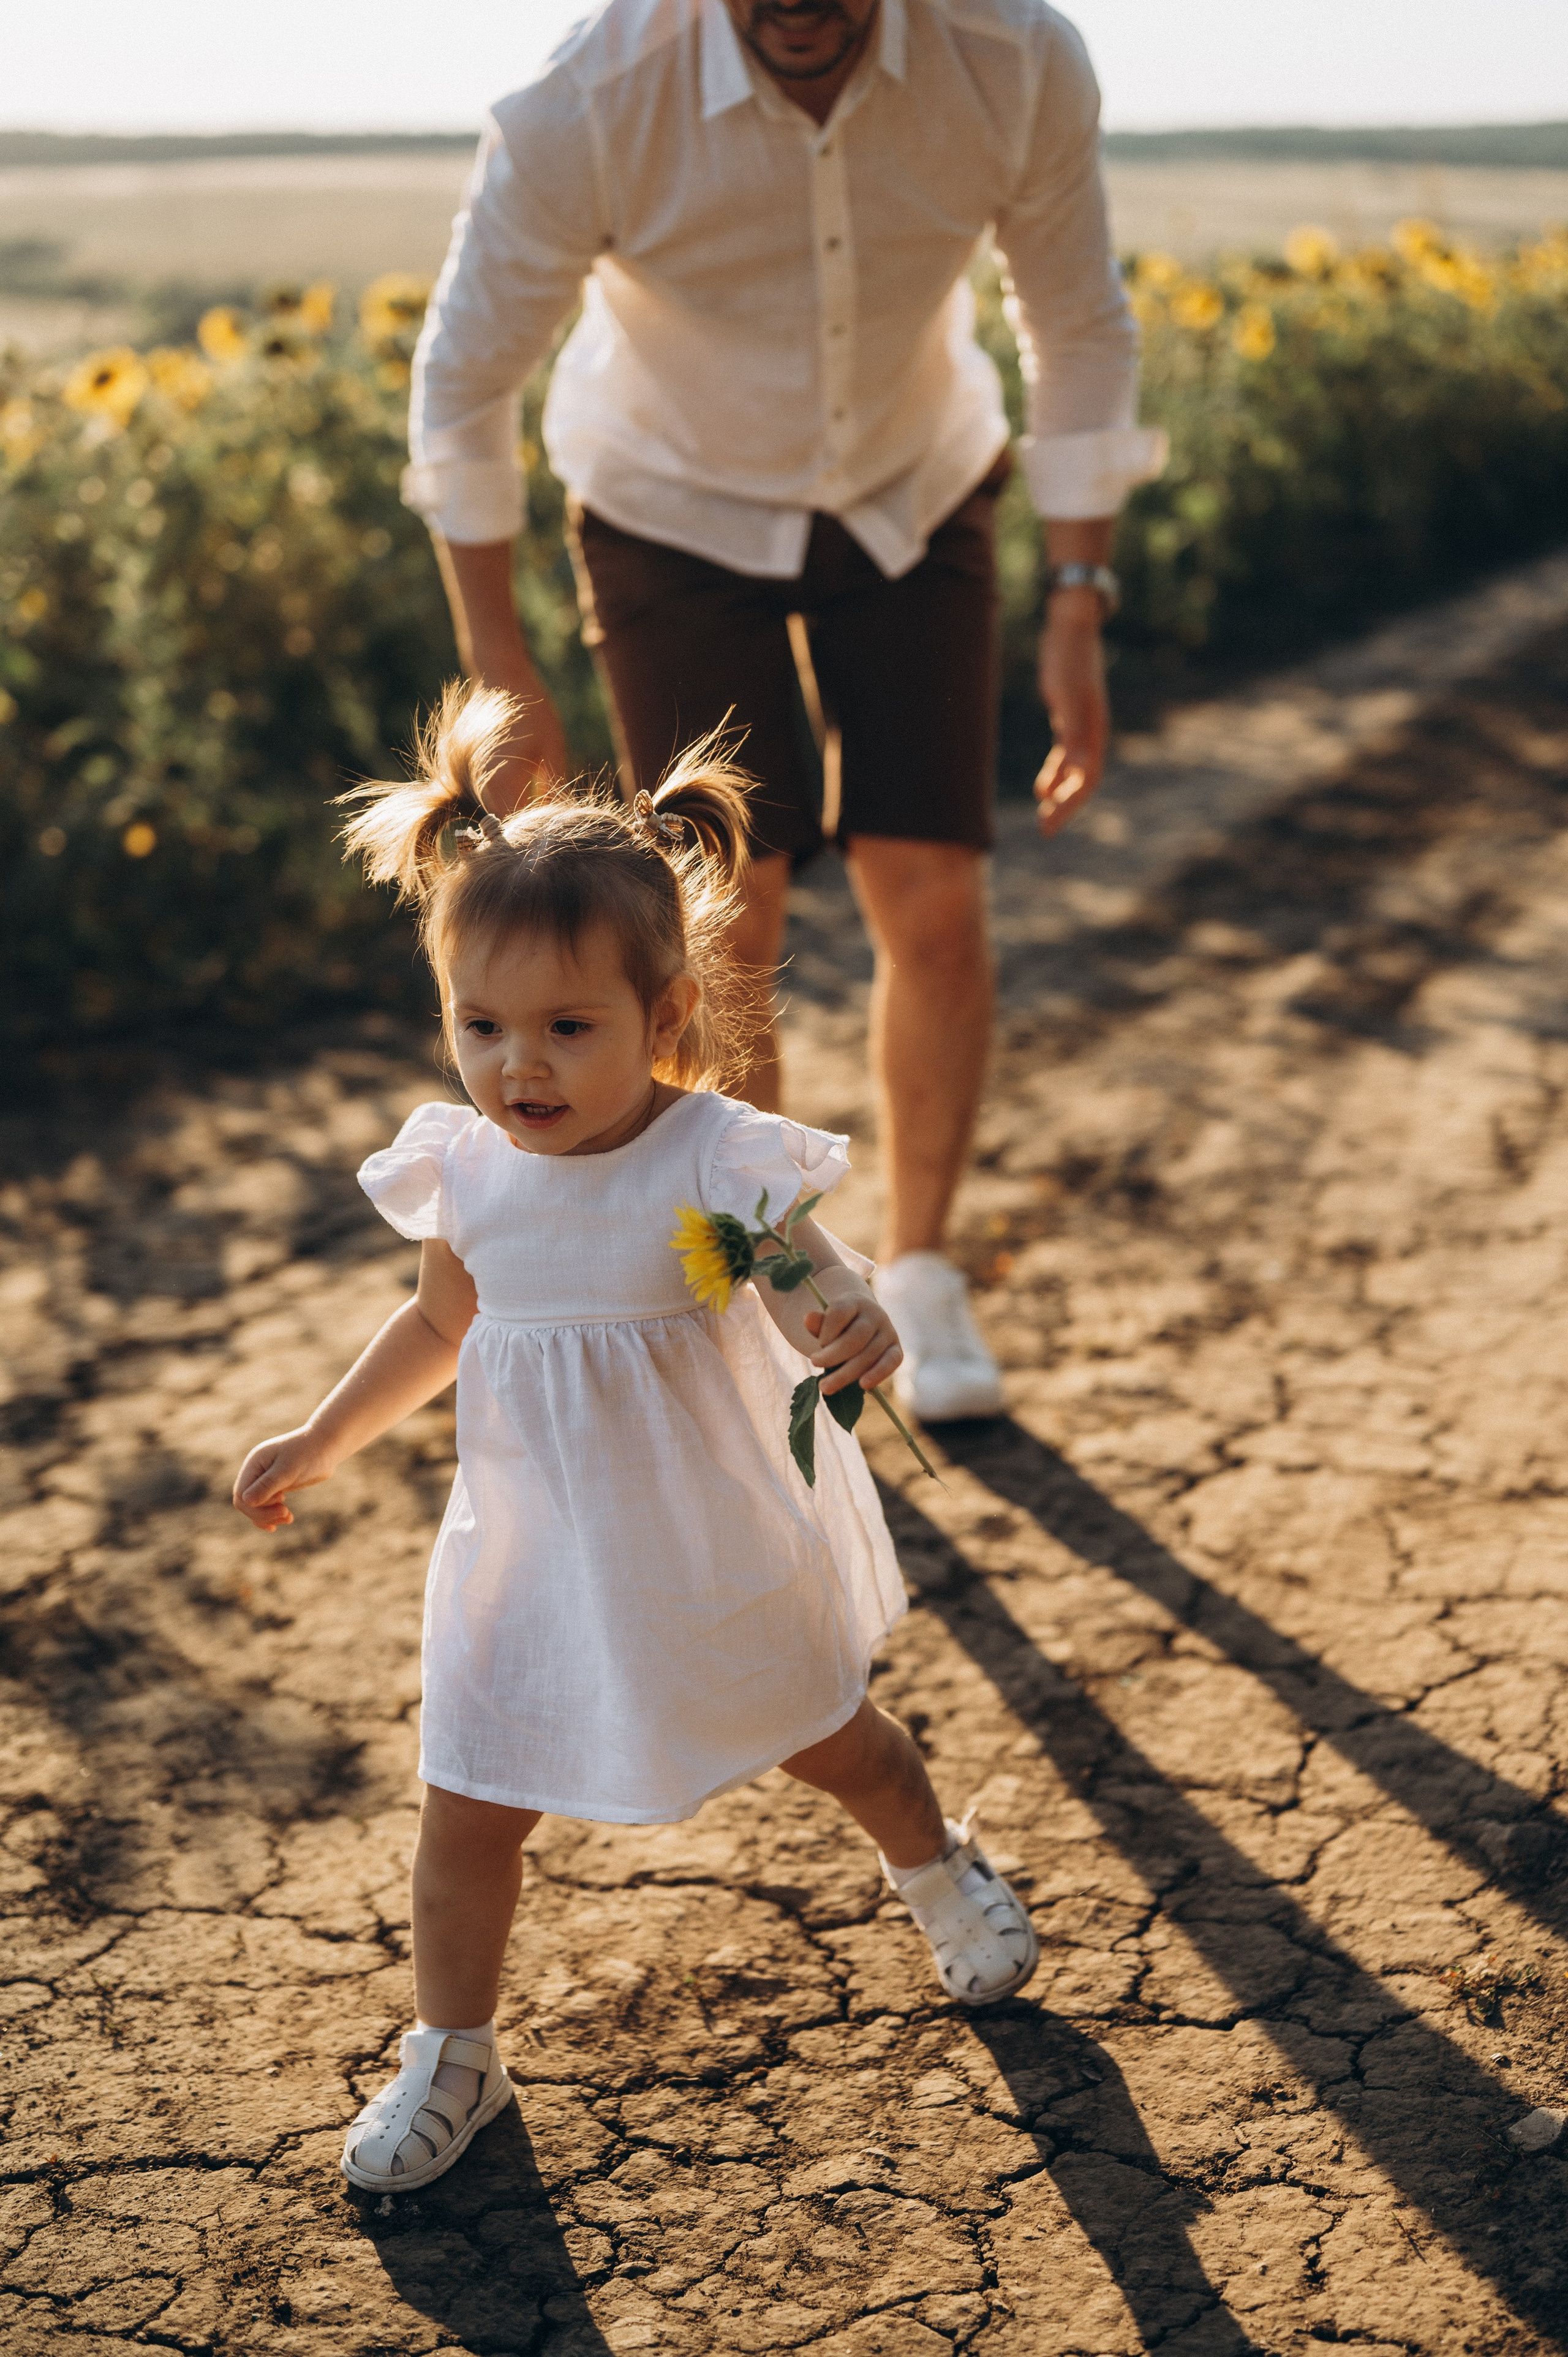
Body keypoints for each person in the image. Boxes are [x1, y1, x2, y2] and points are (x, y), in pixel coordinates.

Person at [231, 685, 1038, 2195]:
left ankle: (933, 1870)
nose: (515, 1065)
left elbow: (813, 1283)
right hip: (529, 1552)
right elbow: (434, 1328)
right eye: (480, 1026)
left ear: (664, 1018)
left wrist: (856, 1327)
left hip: (707, 1538)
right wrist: (323, 1435)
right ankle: (452, 2051)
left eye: (564, 1028)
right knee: (468, 1800)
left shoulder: (715, 1151)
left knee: (832, 1738)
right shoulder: (468, 1172)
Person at [403, 0, 1165, 1424]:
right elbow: (462, 378)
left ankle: (923, 1269)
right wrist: (496, 645)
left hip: (913, 487)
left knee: (929, 892)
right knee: (725, 916)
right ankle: (765, 1275)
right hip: (668, 507)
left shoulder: (1011, 61)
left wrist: (1076, 597)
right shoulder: (588, 98)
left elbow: (1076, 318)